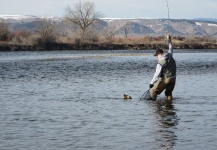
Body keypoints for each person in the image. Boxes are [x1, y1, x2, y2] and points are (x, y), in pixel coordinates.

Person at [149, 34, 176, 100]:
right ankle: (170, 107)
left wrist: (152, 83)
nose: (157, 57)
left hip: (166, 79)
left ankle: (155, 107)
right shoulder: (170, 55)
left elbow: (157, 74)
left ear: (159, 54)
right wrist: (169, 40)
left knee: (154, 91)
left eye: (157, 55)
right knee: (168, 93)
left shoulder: (160, 62)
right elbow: (171, 47)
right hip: (173, 79)